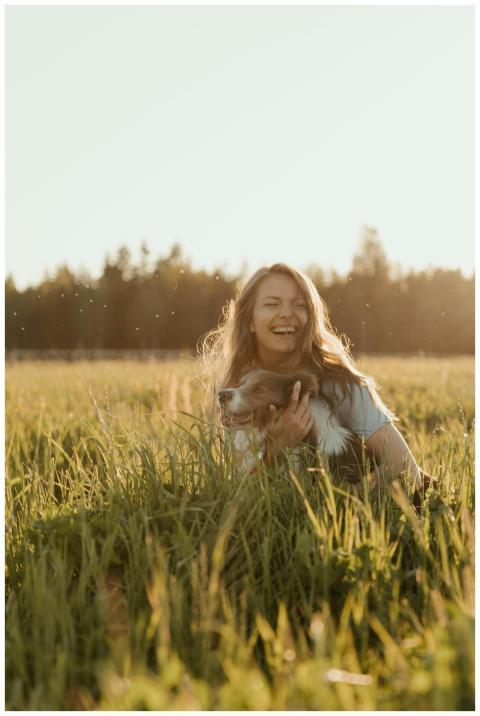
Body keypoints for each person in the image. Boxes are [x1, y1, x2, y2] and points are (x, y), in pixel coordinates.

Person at [202, 262, 425, 490]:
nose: (286, 314)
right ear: (249, 319)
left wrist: (349, 507)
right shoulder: (235, 390)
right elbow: (238, 497)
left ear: (311, 317)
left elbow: (408, 472)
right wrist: (277, 447)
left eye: (299, 305)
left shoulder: (341, 385)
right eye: (271, 304)